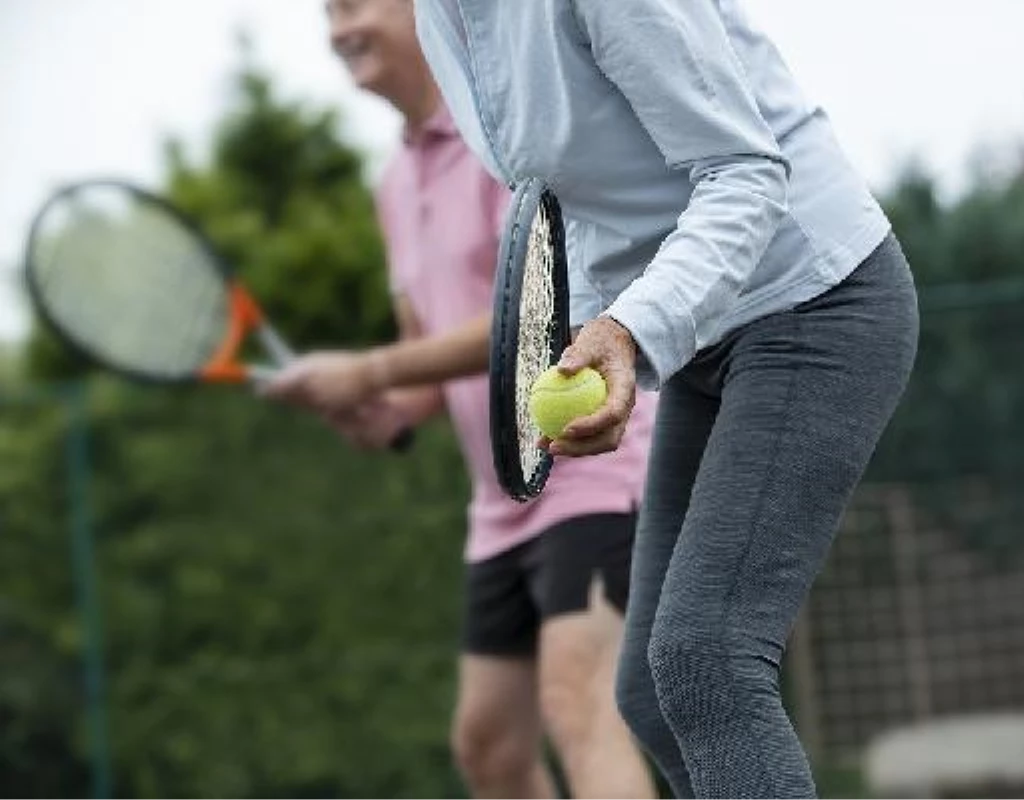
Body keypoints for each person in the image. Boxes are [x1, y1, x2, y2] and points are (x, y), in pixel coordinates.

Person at [272, 0, 919, 797]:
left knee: (704, 658)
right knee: (650, 691)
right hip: (708, 338)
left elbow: (747, 174)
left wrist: (628, 331)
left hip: (814, 297)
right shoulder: (448, 18)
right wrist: (584, 335)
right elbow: (568, 210)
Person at [301, 1, 659, 798]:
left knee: (581, 706)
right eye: (327, 12)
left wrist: (368, 371)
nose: (337, 30)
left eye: (353, 5)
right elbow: (430, 374)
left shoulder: (507, 133)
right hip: (497, 504)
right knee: (489, 748)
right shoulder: (392, 185)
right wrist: (387, 410)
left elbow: (543, 313)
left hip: (595, 466)